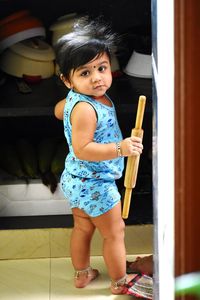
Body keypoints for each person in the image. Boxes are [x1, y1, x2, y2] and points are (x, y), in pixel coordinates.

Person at [54, 16, 143, 295]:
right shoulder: (87, 108)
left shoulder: (75, 101)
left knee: (82, 227)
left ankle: (83, 274)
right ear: (67, 80)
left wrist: (66, 111)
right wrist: (121, 148)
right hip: (96, 184)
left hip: (76, 179)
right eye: (84, 73)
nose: (96, 78)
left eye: (101, 68)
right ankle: (120, 281)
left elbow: (58, 111)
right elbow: (83, 149)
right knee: (114, 232)